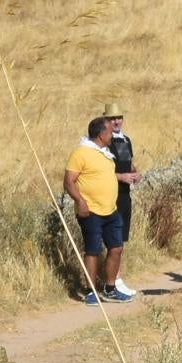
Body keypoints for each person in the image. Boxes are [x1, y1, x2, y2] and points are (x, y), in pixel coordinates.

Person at [63, 116, 128, 302]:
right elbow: (69, 182)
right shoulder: (81, 153)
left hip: (111, 210)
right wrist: (80, 202)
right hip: (91, 211)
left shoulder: (105, 152)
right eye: (109, 131)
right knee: (93, 251)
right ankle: (91, 291)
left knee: (116, 248)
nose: (112, 134)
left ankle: (110, 288)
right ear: (101, 134)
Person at [101, 107, 144, 299]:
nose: (116, 121)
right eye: (112, 118)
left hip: (126, 194)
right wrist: (121, 177)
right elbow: (101, 171)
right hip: (111, 195)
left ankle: (117, 278)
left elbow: (129, 161)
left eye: (119, 118)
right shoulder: (103, 143)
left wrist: (135, 173)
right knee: (113, 240)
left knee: (122, 239)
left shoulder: (126, 140)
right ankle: (113, 281)